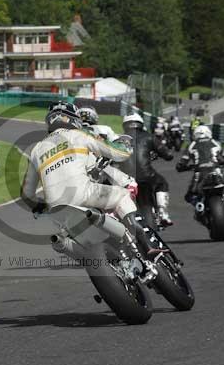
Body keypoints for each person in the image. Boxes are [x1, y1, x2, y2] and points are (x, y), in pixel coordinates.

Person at [20, 102, 157, 255]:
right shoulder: (80, 135)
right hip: (84, 194)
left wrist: (40, 204)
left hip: (56, 207)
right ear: (74, 119)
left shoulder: (36, 150)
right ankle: (143, 244)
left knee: (70, 239)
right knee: (122, 195)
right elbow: (118, 153)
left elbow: (26, 194)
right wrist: (126, 145)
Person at [118, 113, 175, 227]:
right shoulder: (149, 136)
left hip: (125, 178)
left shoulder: (118, 139)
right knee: (162, 183)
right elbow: (168, 155)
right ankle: (163, 212)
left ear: (125, 125)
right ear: (140, 124)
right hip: (147, 175)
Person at [176, 125, 224, 204]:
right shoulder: (216, 143)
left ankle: (199, 207)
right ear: (209, 133)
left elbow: (181, 163)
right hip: (216, 170)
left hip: (199, 174)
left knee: (189, 196)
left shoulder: (191, 146)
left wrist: (185, 167)